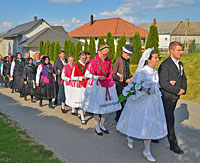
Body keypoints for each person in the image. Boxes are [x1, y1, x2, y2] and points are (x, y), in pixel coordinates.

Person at [117, 48, 168, 162]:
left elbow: (156, 85)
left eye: (157, 57)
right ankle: (134, 139)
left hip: (153, 101)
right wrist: (128, 92)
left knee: (148, 124)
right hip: (143, 101)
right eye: (155, 58)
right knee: (139, 121)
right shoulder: (143, 71)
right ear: (148, 60)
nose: (157, 59)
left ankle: (146, 150)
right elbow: (135, 85)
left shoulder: (154, 71)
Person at [82, 44, 121, 135]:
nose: (105, 56)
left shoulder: (108, 60)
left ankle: (102, 124)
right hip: (97, 86)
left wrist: (110, 77)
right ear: (99, 52)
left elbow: (111, 71)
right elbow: (87, 74)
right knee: (97, 109)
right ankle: (97, 127)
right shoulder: (93, 62)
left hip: (107, 84)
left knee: (106, 108)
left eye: (107, 54)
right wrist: (97, 77)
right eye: (104, 54)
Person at [158, 41, 187, 154]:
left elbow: (183, 78)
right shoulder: (165, 65)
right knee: (170, 120)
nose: (181, 52)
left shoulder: (180, 64)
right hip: (167, 97)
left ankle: (154, 136)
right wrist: (177, 90)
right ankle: (173, 144)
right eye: (178, 50)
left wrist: (183, 89)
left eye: (181, 50)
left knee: (163, 117)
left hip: (175, 97)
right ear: (171, 50)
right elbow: (163, 83)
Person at [113, 44, 134, 122]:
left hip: (126, 84)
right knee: (120, 102)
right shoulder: (117, 60)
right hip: (119, 84)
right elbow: (113, 74)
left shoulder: (127, 60)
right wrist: (124, 80)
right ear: (124, 52)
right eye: (128, 55)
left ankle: (123, 119)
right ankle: (118, 119)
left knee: (126, 102)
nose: (129, 57)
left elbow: (127, 72)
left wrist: (131, 76)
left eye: (130, 55)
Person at [66, 51, 88, 124]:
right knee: (80, 101)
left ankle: (80, 112)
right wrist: (81, 77)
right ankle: (82, 117)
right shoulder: (76, 65)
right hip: (79, 86)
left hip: (86, 85)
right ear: (79, 57)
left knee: (84, 101)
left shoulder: (87, 65)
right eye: (82, 58)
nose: (84, 60)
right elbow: (72, 77)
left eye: (85, 58)